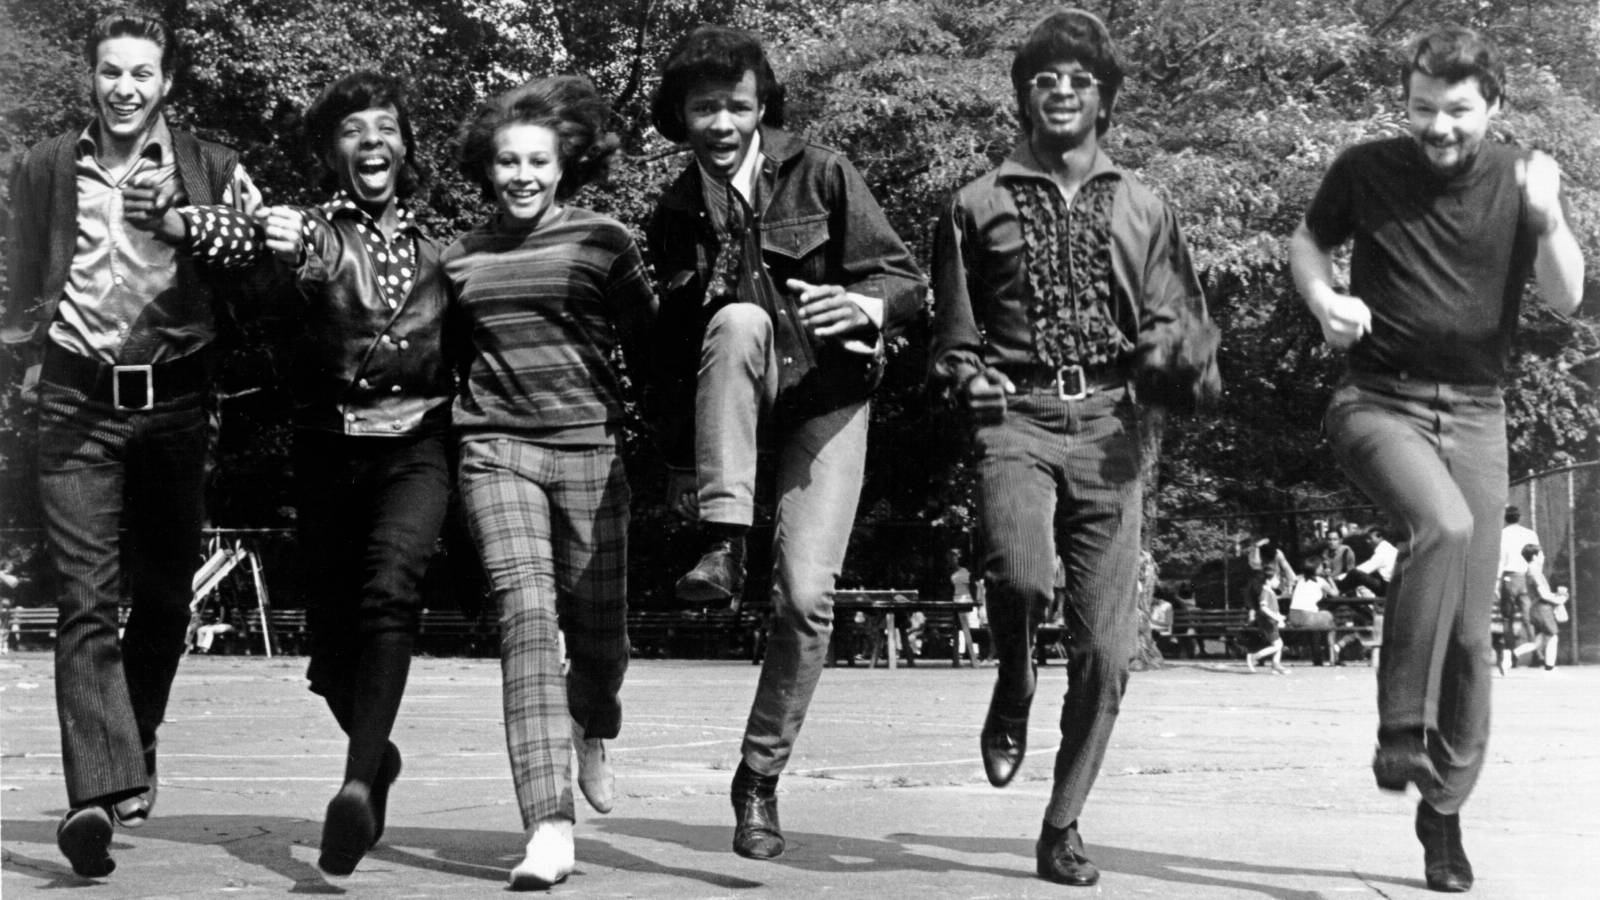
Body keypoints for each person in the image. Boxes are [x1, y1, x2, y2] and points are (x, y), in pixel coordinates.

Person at [1287, 24, 1583, 893]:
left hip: (1479, 412)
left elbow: (1567, 297)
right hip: (1378, 400)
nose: (1438, 127)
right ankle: (1399, 733)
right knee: (1442, 526)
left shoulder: (1523, 177)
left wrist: (1548, 217)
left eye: (1457, 110)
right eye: (1422, 109)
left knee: (1469, 635)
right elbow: (1307, 244)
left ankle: (1443, 811)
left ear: (1493, 105)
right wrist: (1323, 299)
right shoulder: (1366, 168)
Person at [928, 9, 1219, 886]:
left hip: (1112, 424)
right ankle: (1013, 676)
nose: (1061, 91)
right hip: (1015, 415)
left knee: (1106, 652)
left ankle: (1062, 822)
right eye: (1044, 78)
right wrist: (967, 377)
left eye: (1079, 80)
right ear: (1023, 95)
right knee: (1021, 576)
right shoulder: (974, 203)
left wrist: (1178, 357)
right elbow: (953, 335)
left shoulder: (1145, 203)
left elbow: (1183, 319)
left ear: (1104, 99)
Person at [645, 25, 924, 860]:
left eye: (737, 105)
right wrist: (679, 462)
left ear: (762, 104)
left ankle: (759, 777)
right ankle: (724, 543)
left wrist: (865, 307)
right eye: (704, 108)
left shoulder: (824, 172)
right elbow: (670, 356)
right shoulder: (672, 211)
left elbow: (907, 281)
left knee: (804, 599)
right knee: (735, 321)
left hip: (827, 399)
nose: (722, 123)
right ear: (681, 116)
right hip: (733, 394)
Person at [168, 71, 455, 874]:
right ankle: (379, 757)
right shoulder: (309, 235)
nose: (371, 141)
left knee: (392, 589)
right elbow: (264, 301)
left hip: (418, 447)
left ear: (405, 147)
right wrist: (275, 251)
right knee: (331, 662)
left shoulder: (444, 254)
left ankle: (356, 787)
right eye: (352, 130)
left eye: (385, 127)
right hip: (327, 448)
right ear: (331, 153)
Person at [2, 12, 260, 878]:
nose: (124, 88)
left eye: (141, 73)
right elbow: (22, 277)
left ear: (166, 82)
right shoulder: (44, 166)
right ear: (92, 77)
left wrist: (196, 223)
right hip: (75, 400)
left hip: (177, 403)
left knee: (164, 600)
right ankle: (94, 798)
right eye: (111, 72)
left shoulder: (210, 165)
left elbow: (258, 265)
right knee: (85, 597)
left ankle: (134, 735)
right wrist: (27, 361)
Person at [448, 76, 654, 889]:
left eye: (538, 160)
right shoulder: (460, 258)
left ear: (565, 163)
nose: (523, 175)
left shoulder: (606, 241)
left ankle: (592, 718)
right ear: (487, 167)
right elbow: (442, 360)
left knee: (600, 637)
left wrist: (681, 461)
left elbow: (653, 352)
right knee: (528, 619)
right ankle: (548, 825)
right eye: (508, 161)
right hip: (495, 450)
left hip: (590, 454)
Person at [1511, 546, 1564, 671]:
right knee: (1553, 637)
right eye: (1541, 554)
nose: (1543, 556)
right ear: (1534, 557)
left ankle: (1514, 654)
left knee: (1538, 642)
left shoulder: (1533, 571)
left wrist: (1556, 595)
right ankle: (1550, 668)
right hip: (1542, 609)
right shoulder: (1534, 572)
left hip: (1537, 609)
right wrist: (1558, 599)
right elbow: (1543, 594)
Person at [1497, 505, 1539, 652]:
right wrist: (1536, 577)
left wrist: (1497, 582)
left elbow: (1500, 560)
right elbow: (1538, 557)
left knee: (1507, 618)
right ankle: (1536, 651)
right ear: (1519, 517)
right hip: (1526, 578)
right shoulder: (1530, 534)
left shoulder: (1502, 534)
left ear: (1505, 518)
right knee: (1529, 616)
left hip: (1509, 578)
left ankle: (1509, 653)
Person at [1244, 571, 1289, 674]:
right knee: (1277, 645)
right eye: (1276, 579)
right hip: (1268, 623)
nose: (1278, 582)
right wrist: (1276, 617)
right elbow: (1263, 608)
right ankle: (1253, 657)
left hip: (1271, 623)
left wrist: (1278, 618)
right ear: (1268, 580)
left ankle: (1275, 665)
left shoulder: (1269, 592)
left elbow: (1272, 606)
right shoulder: (1265, 592)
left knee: (1279, 644)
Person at [1339, 526, 1397, 597]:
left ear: (1380, 537)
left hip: (1386, 587)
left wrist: (1340, 578)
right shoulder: (1388, 548)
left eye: (1370, 538)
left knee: (1355, 573)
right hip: (1390, 585)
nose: (1367, 541)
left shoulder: (1384, 551)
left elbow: (1365, 569)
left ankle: (1336, 590)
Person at [1288, 559, 1338, 629]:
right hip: (1307, 617)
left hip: (1293, 617)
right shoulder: (1320, 581)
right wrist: (1329, 578)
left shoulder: (1300, 579)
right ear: (1316, 569)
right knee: (1329, 615)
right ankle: (1333, 636)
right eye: (1321, 567)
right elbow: (1335, 593)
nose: (1322, 568)